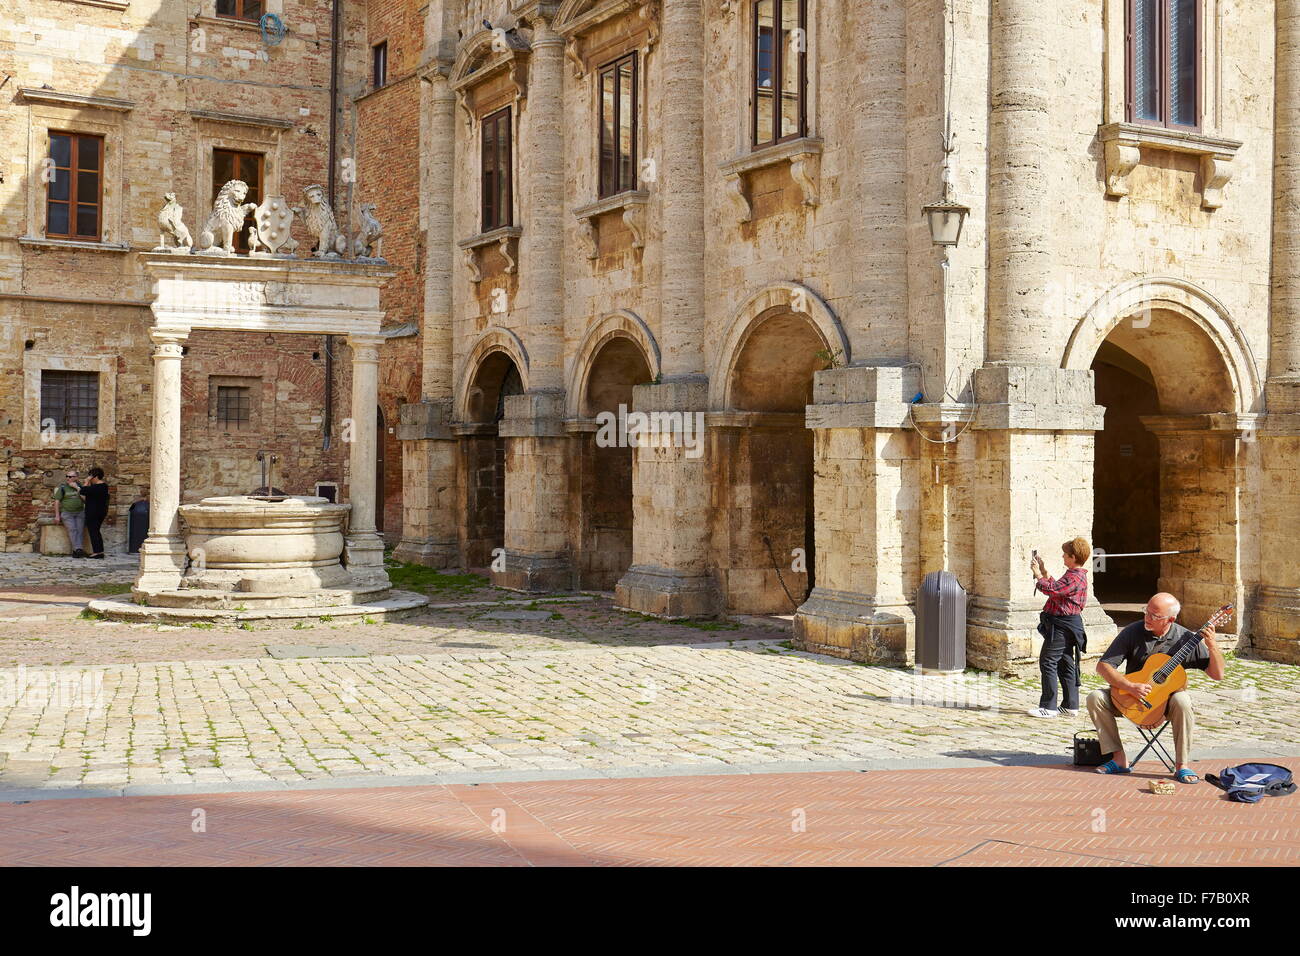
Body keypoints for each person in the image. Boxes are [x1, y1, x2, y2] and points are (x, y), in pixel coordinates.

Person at [1087, 592, 1223, 784]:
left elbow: (1217, 675)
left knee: (1183, 700)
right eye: (1146, 611)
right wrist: (1130, 686)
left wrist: (1212, 646)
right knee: (1095, 697)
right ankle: (1118, 758)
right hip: (1130, 698)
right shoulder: (1132, 631)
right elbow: (1104, 666)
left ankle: (1181, 765)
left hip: (1165, 704)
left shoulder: (1185, 638)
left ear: (1171, 619)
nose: (1147, 618)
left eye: (1155, 616)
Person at [1026, 537, 1091, 718]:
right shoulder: (1074, 575)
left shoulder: (1075, 576)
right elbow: (1058, 588)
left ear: (1073, 557)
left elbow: (1052, 590)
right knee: (1065, 662)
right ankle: (1071, 705)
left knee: (1048, 661)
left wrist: (1038, 575)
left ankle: (1048, 707)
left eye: (1065, 554)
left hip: (1062, 626)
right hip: (1067, 624)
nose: (1062, 556)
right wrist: (1044, 571)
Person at [52, 468, 86, 558]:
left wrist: (77, 488)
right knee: (72, 530)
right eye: (67, 476)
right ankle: (78, 549)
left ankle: (76, 551)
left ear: (76, 478)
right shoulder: (63, 487)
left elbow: (85, 499)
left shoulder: (81, 487)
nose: (68, 478)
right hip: (67, 513)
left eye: (70, 476)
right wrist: (57, 516)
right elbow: (57, 501)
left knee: (80, 531)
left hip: (80, 512)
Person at [79, 467, 110, 559]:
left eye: (90, 476)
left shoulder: (97, 487)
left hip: (93, 512)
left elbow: (83, 491)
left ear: (95, 476)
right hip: (101, 512)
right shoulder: (104, 486)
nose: (89, 478)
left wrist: (86, 481)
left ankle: (97, 552)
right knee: (96, 531)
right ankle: (99, 551)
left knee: (93, 532)